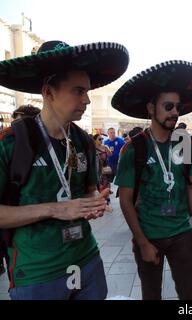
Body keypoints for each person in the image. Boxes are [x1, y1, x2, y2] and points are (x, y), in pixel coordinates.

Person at [0, 39, 129, 299]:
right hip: (37, 272)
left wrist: (94, 203)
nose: (87, 100)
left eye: (88, 91)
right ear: (48, 92)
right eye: (78, 91)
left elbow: (89, 191)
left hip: (87, 259)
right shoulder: (11, 142)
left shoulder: (83, 141)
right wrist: (55, 209)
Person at [112, 60, 192, 300]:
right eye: (168, 106)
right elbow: (125, 201)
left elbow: (190, 187)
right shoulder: (134, 149)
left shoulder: (184, 144)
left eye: (177, 107)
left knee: (190, 294)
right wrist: (142, 242)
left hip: (180, 234)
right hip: (149, 234)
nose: (175, 113)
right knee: (151, 294)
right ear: (151, 108)